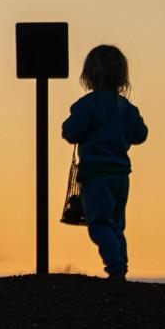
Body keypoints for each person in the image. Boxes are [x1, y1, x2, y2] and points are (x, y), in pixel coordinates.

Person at [60, 44, 148, 282]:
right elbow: (140, 134)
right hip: (121, 174)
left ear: (90, 75)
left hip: (96, 174)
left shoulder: (87, 105)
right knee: (116, 223)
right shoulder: (126, 108)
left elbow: (70, 131)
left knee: (99, 223)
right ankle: (121, 265)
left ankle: (116, 267)